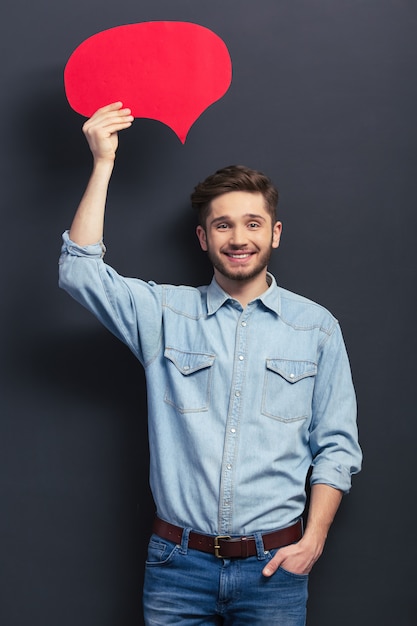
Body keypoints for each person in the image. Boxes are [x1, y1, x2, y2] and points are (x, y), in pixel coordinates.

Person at [59, 102, 362, 625]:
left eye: (252, 223)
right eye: (222, 225)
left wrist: (313, 541)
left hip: (275, 568)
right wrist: (103, 162)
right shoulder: (164, 314)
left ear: (275, 233)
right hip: (178, 566)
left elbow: (337, 446)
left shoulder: (316, 328)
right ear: (203, 238)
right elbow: (80, 272)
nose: (238, 238)